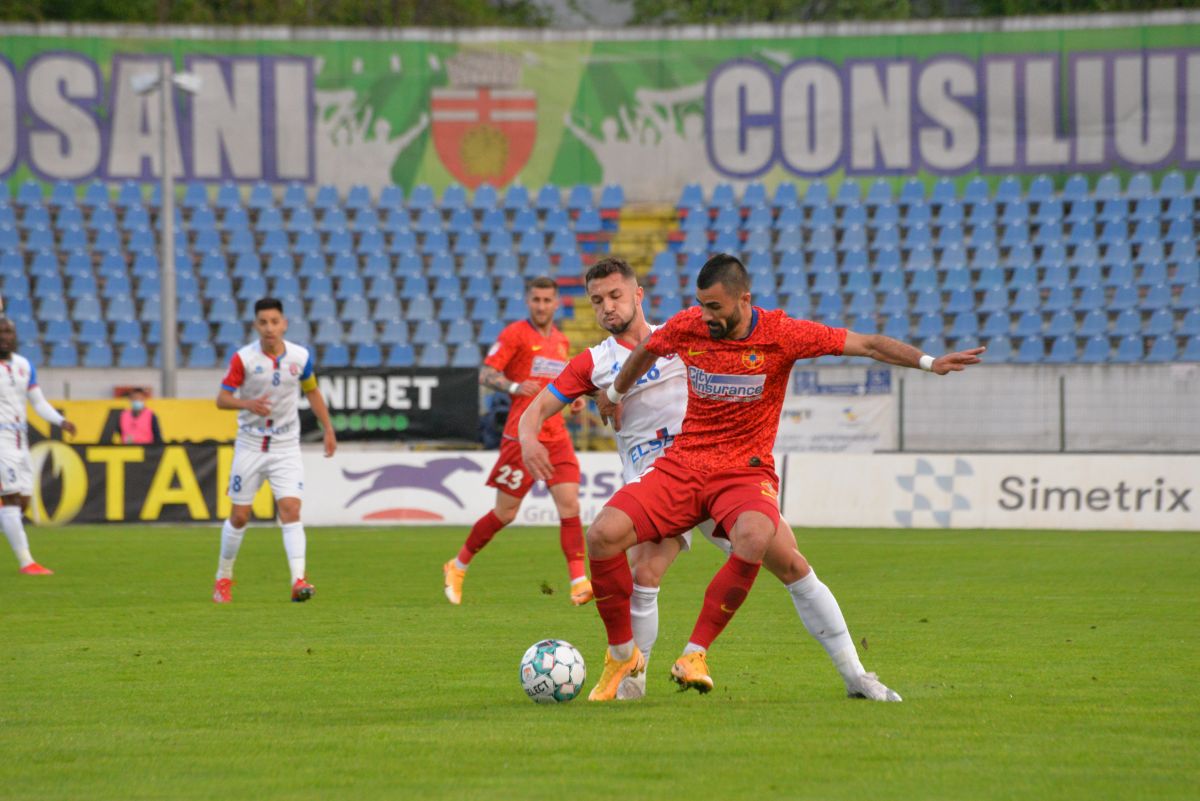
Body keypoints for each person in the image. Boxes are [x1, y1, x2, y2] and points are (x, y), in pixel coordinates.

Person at [573, 254, 984, 700]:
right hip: (684, 465)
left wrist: (928, 362)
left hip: (743, 472)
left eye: (715, 307)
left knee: (782, 558)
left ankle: (842, 674)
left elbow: (866, 344)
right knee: (603, 536)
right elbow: (646, 350)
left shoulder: (783, 334)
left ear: (743, 300)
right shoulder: (688, 324)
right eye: (701, 305)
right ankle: (624, 660)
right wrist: (614, 393)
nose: (704, 316)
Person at [442, 276, 592, 606]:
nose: (541, 305)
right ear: (529, 302)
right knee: (505, 514)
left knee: (570, 506)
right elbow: (486, 373)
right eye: (536, 300)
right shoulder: (514, 335)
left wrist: (574, 400)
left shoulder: (561, 342)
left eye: (547, 300)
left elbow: (559, 386)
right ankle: (458, 564)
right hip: (522, 437)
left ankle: (579, 580)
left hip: (556, 436)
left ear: (556, 304)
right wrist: (513, 387)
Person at [212, 298, 337, 604]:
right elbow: (221, 399)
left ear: (284, 324)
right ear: (256, 325)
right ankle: (223, 579)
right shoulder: (244, 359)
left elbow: (312, 391)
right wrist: (246, 404)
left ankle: (298, 581)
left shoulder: (300, 356)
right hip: (251, 444)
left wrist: (328, 429)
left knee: (291, 510)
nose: (270, 328)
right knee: (240, 517)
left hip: (285, 445)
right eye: (263, 322)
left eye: (274, 321)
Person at [0, 318, 77, 574]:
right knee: (9, 499)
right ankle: (27, 562)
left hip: (21, 440)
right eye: (0, 332)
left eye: (9, 331)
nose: (5, 336)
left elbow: (38, 402)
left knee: (22, 500)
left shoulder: (24, 365)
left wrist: (60, 420)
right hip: (1, 441)